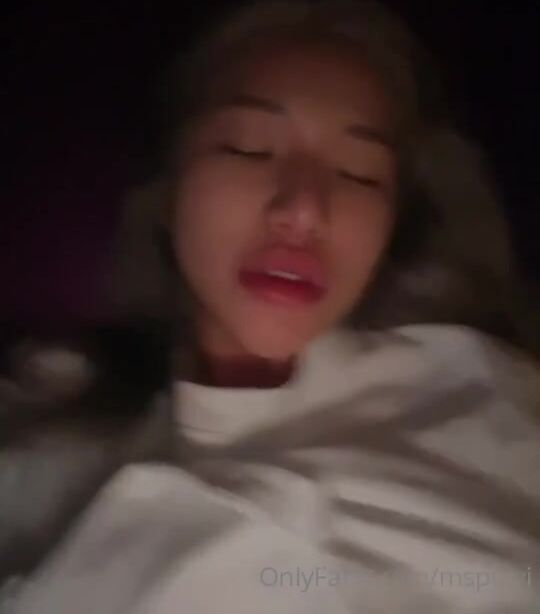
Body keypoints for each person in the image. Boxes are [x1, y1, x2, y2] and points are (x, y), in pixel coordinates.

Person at [1, 1, 539, 612]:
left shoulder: (479, 398)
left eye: (359, 174)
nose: (304, 211)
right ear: (169, 187)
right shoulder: (52, 430)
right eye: (249, 149)